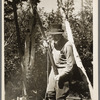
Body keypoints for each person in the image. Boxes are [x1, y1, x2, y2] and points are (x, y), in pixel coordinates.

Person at [44, 23, 75, 100]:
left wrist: (61, 75)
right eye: (52, 35)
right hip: (53, 70)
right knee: (50, 94)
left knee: (60, 97)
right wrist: (46, 47)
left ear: (61, 34)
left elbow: (70, 64)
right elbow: (50, 55)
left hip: (64, 72)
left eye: (56, 35)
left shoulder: (67, 45)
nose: (53, 37)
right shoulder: (52, 43)